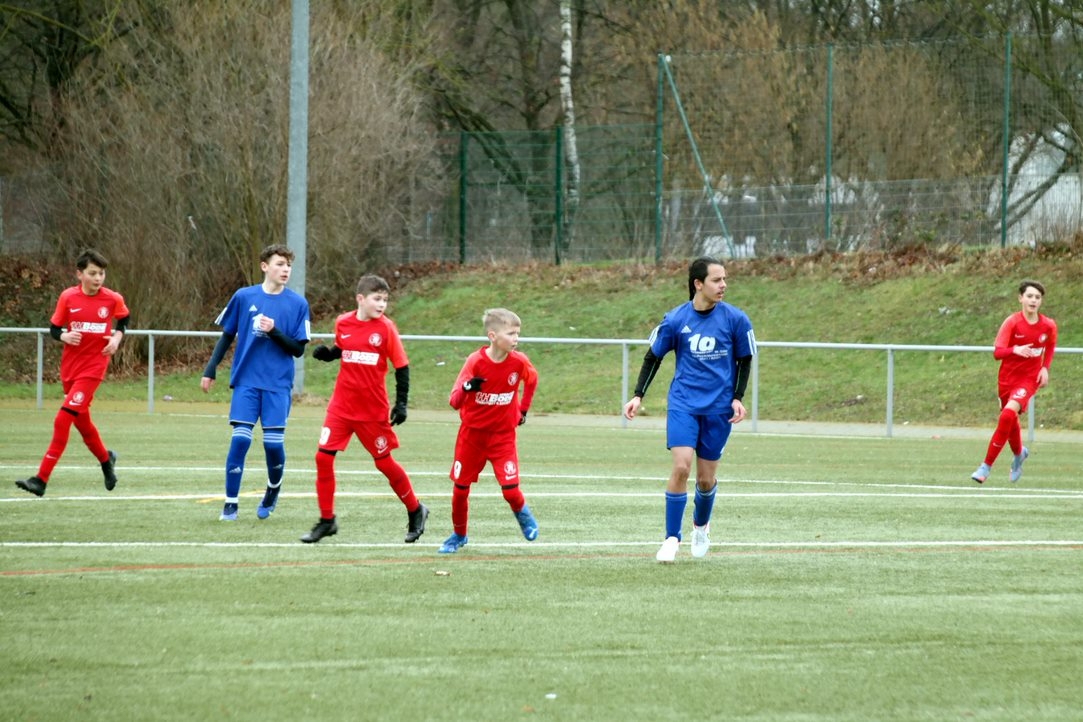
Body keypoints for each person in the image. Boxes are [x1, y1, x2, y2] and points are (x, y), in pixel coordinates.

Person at [623, 256, 757, 563]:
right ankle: (671, 538)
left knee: (705, 481)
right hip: (683, 403)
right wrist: (638, 395)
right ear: (698, 284)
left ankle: (700, 526)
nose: (723, 285)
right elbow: (652, 357)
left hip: (718, 409)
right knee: (681, 467)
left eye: (724, 279)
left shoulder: (736, 319)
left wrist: (737, 397)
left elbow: (744, 360)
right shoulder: (675, 319)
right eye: (716, 280)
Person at [300, 274, 429, 544]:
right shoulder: (343, 322)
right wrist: (330, 354)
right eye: (376, 299)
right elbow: (345, 348)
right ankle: (327, 521)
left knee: (384, 463)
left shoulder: (386, 329)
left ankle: (416, 509)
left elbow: (401, 366)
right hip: (341, 407)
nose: (382, 304)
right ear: (361, 299)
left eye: (385, 300)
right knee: (323, 458)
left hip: (372, 411)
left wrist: (401, 403)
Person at [201, 244, 311, 521]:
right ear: (265, 266)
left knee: (273, 444)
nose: (285, 269)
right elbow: (227, 335)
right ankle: (230, 503)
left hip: (277, 385)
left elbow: (298, 350)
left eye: (288, 265)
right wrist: (211, 368)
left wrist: (274, 331)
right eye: (279, 264)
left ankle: (273, 489)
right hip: (247, 381)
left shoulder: (298, 304)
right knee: (240, 439)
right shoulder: (243, 296)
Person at [15, 248, 130, 496]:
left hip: (94, 368)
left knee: (63, 419)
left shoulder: (112, 299)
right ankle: (106, 460)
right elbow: (54, 329)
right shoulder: (68, 297)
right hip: (70, 369)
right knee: (83, 423)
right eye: (93, 273)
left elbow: (124, 319)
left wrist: (117, 338)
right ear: (80, 274)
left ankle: (40, 479)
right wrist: (64, 335)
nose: (98, 278)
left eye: (101, 273)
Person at [438, 308, 540, 554]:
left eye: (518, 334)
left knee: (511, 490)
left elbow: (532, 379)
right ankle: (459, 535)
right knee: (460, 490)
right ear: (493, 336)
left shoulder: (518, 362)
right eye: (511, 333)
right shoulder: (475, 362)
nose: (516, 339)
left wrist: (522, 410)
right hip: (472, 436)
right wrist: (467, 387)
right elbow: (454, 401)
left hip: (502, 437)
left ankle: (524, 516)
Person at [971, 280, 1057, 485]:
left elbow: (1051, 345)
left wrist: (1045, 367)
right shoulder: (1012, 322)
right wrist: (1015, 350)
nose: (1033, 300)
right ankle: (1019, 454)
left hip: (1028, 380)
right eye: (1029, 296)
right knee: (1009, 420)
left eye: (1037, 297)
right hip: (1007, 379)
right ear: (1021, 298)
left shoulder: (1048, 325)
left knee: (1008, 414)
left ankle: (986, 466)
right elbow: (997, 352)